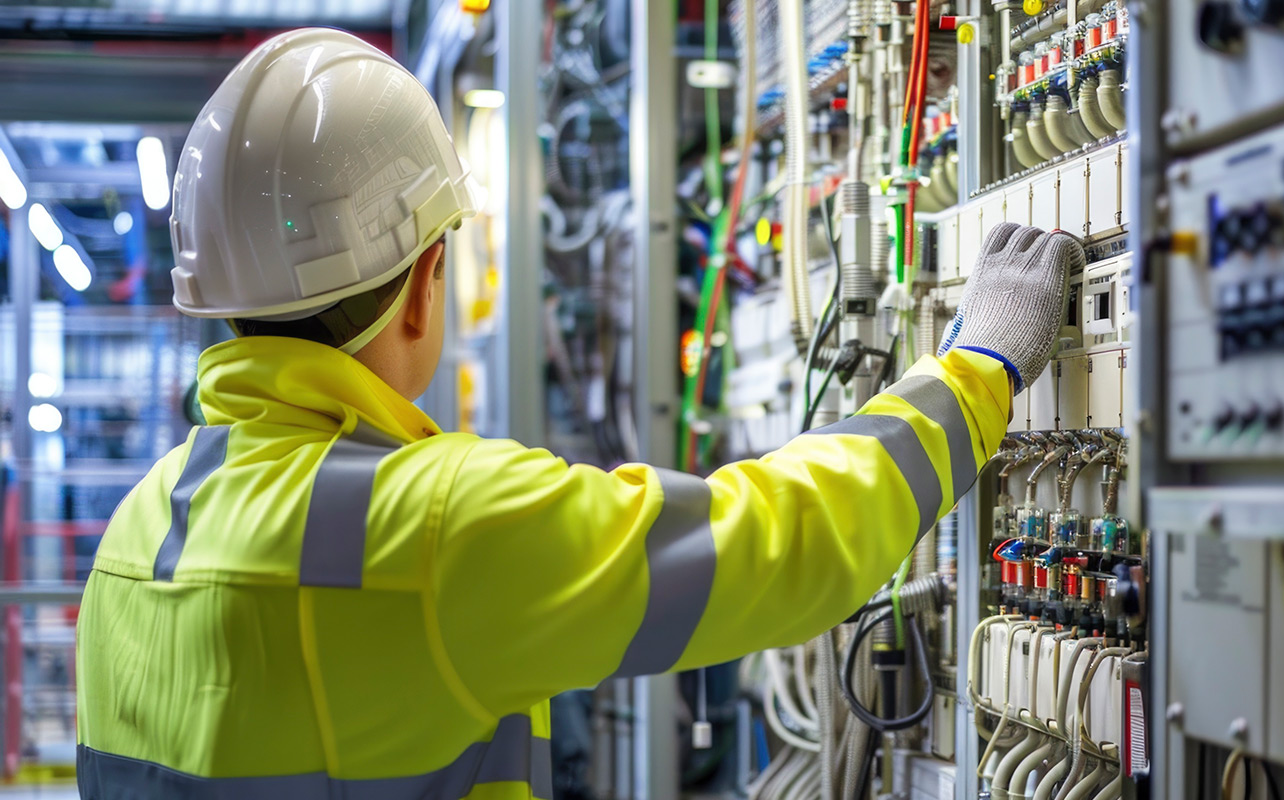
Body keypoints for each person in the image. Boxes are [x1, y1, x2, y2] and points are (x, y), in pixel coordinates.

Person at [74, 27, 1081, 800]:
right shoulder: (434, 524)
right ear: (426, 280)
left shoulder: (132, 532)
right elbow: (779, 544)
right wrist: (976, 368)